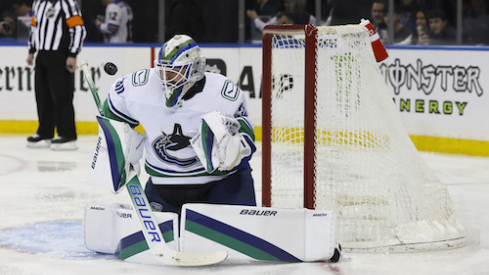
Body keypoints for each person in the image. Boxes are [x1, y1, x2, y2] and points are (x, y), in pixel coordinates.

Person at [100, 34, 257, 214]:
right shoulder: (140, 86)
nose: (166, 77)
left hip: (220, 185)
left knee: (233, 238)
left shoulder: (222, 93)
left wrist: (232, 152)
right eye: (163, 70)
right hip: (163, 186)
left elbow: (246, 137)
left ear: (195, 69)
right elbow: (114, 109)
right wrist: (118, 143)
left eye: (175, 71)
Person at [26, 0, 86, 150]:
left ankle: (68, 135)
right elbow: (34, 27)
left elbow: (78, 29)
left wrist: (72, 54)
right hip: (42, 54)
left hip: (61, 54)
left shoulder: (66, 3)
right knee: (42, 94)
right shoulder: (38, 3)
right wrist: (32, 51)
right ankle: (45, 133)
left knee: (62, 95)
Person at [246, 0, 316, 33]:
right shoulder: (281, 16)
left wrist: (255, 18)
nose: (286, 4)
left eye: (288, 2)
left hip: (303, 45)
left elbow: (320, 29)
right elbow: (266, 27)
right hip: (284, 45)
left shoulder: (309, 17)